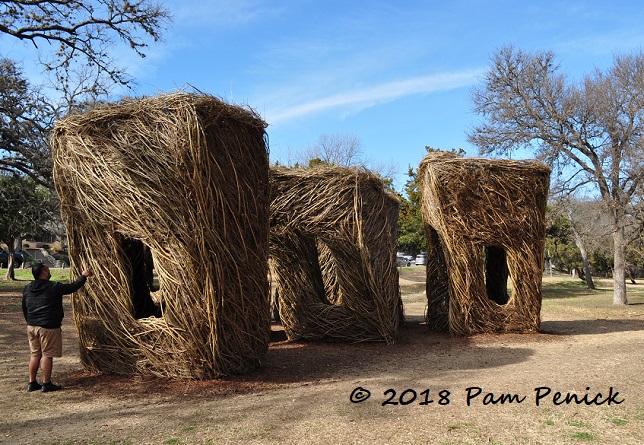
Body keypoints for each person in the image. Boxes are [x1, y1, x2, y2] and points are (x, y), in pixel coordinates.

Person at [22, 263, 91, 392]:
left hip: (32, 326)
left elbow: (24, 307)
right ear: (43, 272)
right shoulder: (53, 287)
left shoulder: (28, 288)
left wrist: (30, 321)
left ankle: (32, 383)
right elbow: (72, 287)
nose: (49, 272)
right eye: (47, 270)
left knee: (35, 354)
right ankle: (46, 384)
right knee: (47, 355)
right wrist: (83, 276)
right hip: (48, 326)